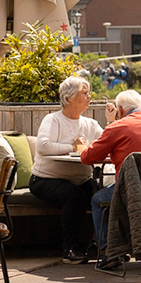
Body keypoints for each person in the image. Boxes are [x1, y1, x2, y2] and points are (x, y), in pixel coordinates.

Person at [81, 89, 141, 270]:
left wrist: (83, 146)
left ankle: (109, 252)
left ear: (121, 110)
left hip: (130, 192)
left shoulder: (117, 127)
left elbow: (87, 158)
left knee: (97, 201)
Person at [29, 76, 104, 264]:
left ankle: (102, 246)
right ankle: (70, 249)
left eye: (89, 93)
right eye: (84, 93)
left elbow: (107, 141)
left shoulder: (90, 124)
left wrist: (111, 120)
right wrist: (72, 146)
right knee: (75, 197)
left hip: (80, 179)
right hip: (45, 179)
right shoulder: (53, 119)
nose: (89, 97)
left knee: (103, 197)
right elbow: (43, 147)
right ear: (69, 97)